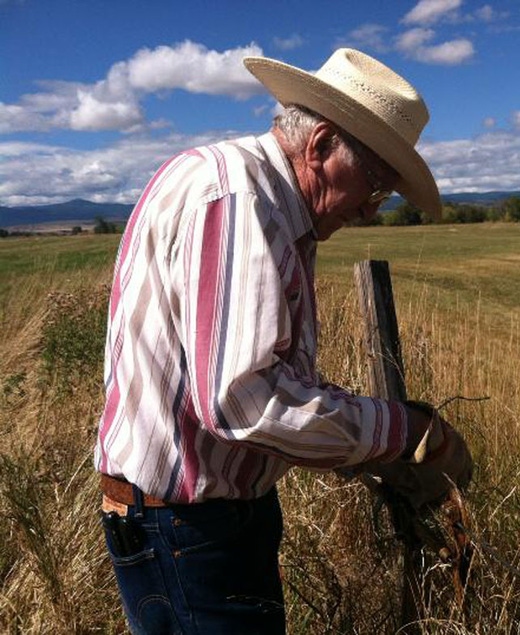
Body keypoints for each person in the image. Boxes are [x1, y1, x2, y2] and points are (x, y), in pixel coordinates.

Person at [94, 48, 473, 634]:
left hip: (196, 526)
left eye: (385, 195)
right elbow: (244, 401)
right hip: (188, 534)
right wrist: (406, 432)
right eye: (374, 185)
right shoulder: (242, 203)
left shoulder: (257, 197)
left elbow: (261, 376)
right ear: (320, 146)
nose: (372, 212)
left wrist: (364, 444)